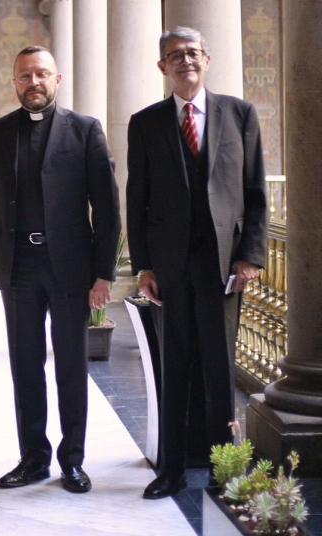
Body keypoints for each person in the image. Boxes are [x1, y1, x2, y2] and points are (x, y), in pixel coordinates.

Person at [127, 27, 267, 500]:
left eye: (192, 53)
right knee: (174, 366)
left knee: (219, 369)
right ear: (162, 66)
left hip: (222, 266)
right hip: (169, 266)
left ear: (207, 59)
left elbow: (255, 191)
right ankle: (171, 470)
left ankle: (225, 470)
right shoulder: (145, 122)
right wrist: (144, 266)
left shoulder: (240, 114)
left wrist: (249, 257)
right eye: (174, 55)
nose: (184, 60)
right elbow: (137, 198)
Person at [0, 46, 120, 494]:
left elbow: (107, 208)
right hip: (19, 268)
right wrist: (0, 259)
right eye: (24, 75)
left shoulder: (85, 130)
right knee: (25, 365)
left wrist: (103, 274)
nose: (33, 82)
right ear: (14, 82)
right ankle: (33, 459)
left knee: (71, 365)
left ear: (56, 79)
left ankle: (72, 460)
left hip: (71, 269)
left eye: (41, 74)